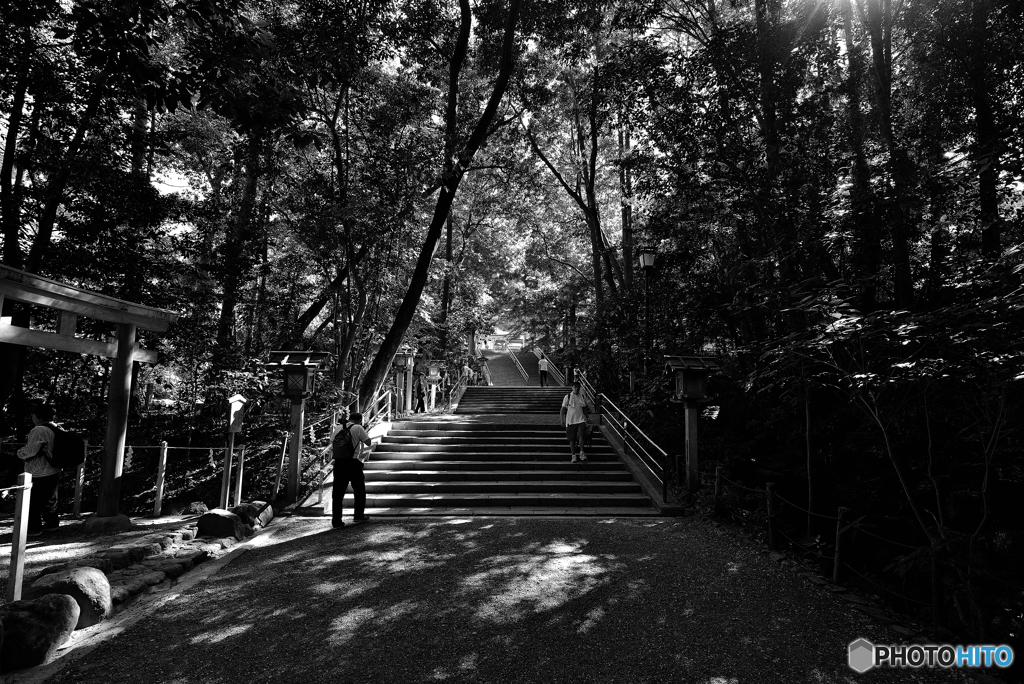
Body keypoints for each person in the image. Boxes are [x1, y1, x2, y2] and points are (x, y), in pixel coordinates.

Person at [16, 404, 62, 536]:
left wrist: (19, 453)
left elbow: (31, 451)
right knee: (50, 498)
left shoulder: (39, 430)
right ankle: (52, 524)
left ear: (38, 416)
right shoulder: (57, 427)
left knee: (32, 501)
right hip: (55, 468)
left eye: (33, 415)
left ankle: (33, 529)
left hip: (39, 470)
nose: (32, 417)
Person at [330, 412, 372, 528]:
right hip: (353, 463)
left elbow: (332, 441)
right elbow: (368, 442)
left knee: (337, 494)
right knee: (359, 490)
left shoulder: (339, 427)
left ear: (349, 418)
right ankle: (358, 515)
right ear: (359, 420)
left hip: (339, 464)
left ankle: (336, 521)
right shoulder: (358, 428)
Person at [560, 381, 592, 463]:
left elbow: (584, 407)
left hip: (581, 420)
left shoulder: (581, 396)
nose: (576, 389)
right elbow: (562, 409)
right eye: (575, 387)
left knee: (582, 436)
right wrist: (562, 419)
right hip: (570, 421)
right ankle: (573, 455)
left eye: (578, 387)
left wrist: (587, 417)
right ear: (572, 388)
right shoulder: (568, 397)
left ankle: (582, 453)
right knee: (572, 439)